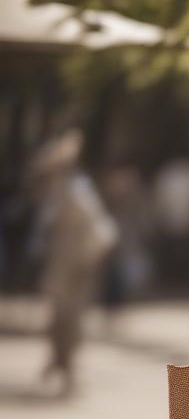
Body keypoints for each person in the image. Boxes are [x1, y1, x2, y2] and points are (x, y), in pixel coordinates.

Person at [27, 127, 119, 397]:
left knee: (70, 314)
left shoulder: (76, 187)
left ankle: (65, 366)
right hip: (61, 257)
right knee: (60, 314)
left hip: (75, 257)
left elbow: (95, 225)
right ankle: (59, 361)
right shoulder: (55, 190)